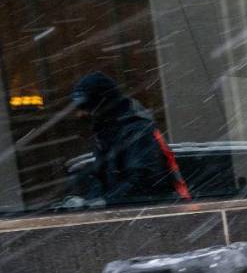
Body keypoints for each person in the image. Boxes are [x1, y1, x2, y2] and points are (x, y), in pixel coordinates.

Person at [66, 72, 190, 208]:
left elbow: (143, 180)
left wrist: (106, 202)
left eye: (85, 107)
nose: (80, 114)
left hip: (150, 215)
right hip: (126, 216)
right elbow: (101, 180)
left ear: (102, 103)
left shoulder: (138, 131)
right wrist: (89, 202)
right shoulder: (105, 134)